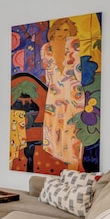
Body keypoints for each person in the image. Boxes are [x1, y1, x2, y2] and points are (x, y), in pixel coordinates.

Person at [41, 18, 84, 170]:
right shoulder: (46, 48)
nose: (61, 33)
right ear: (53, 30)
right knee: (54, 130)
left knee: (72, 129)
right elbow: (48, 74)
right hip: (54, 93)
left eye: (66, 30)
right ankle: (60, 162)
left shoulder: (74, 44)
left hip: (72, 92)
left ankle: (74, 163)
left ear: (70, 32)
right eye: (59, 29)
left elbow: (77, 69)